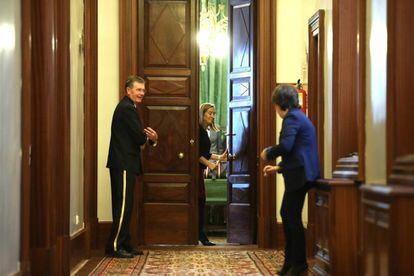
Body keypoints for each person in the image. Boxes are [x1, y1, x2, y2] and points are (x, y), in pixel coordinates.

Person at [260, 85, 320, 276]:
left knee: (290, 217)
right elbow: (298, 152)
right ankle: (291, 264)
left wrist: (268, 152)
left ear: (279, 104)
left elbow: (287, 146)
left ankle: (299, 264)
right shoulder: (299, 116)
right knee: (288, 214)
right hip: (302, 172)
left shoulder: (291, 117)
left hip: (300, 175)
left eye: (274, 106)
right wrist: (278, 167)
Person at [105, 75, 158, 258]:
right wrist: (152, 139)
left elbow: (138, 138)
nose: (142, 93)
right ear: (128, 91)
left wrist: (148, 140)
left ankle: (125, 243)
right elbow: (139, 138)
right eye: (138, 90)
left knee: (126, 206)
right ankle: (114, 246)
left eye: (143, 90)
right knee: (123, 206)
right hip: (124, 164)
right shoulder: (127, 109)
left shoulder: (129, 107)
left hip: (125, 164)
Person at [198, 103, 227, 246]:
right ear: (202, 114)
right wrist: (210, 165)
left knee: (201, 201)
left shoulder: (203, 130)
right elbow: (196, 153)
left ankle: (202, 237)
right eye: (210, 113)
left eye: (213, 113)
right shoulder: (198, 130)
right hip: (196, 172)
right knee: (199, 202)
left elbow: (206, 153)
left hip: (200, 171)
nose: (212, 116)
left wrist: (220, 157)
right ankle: (201, 237)